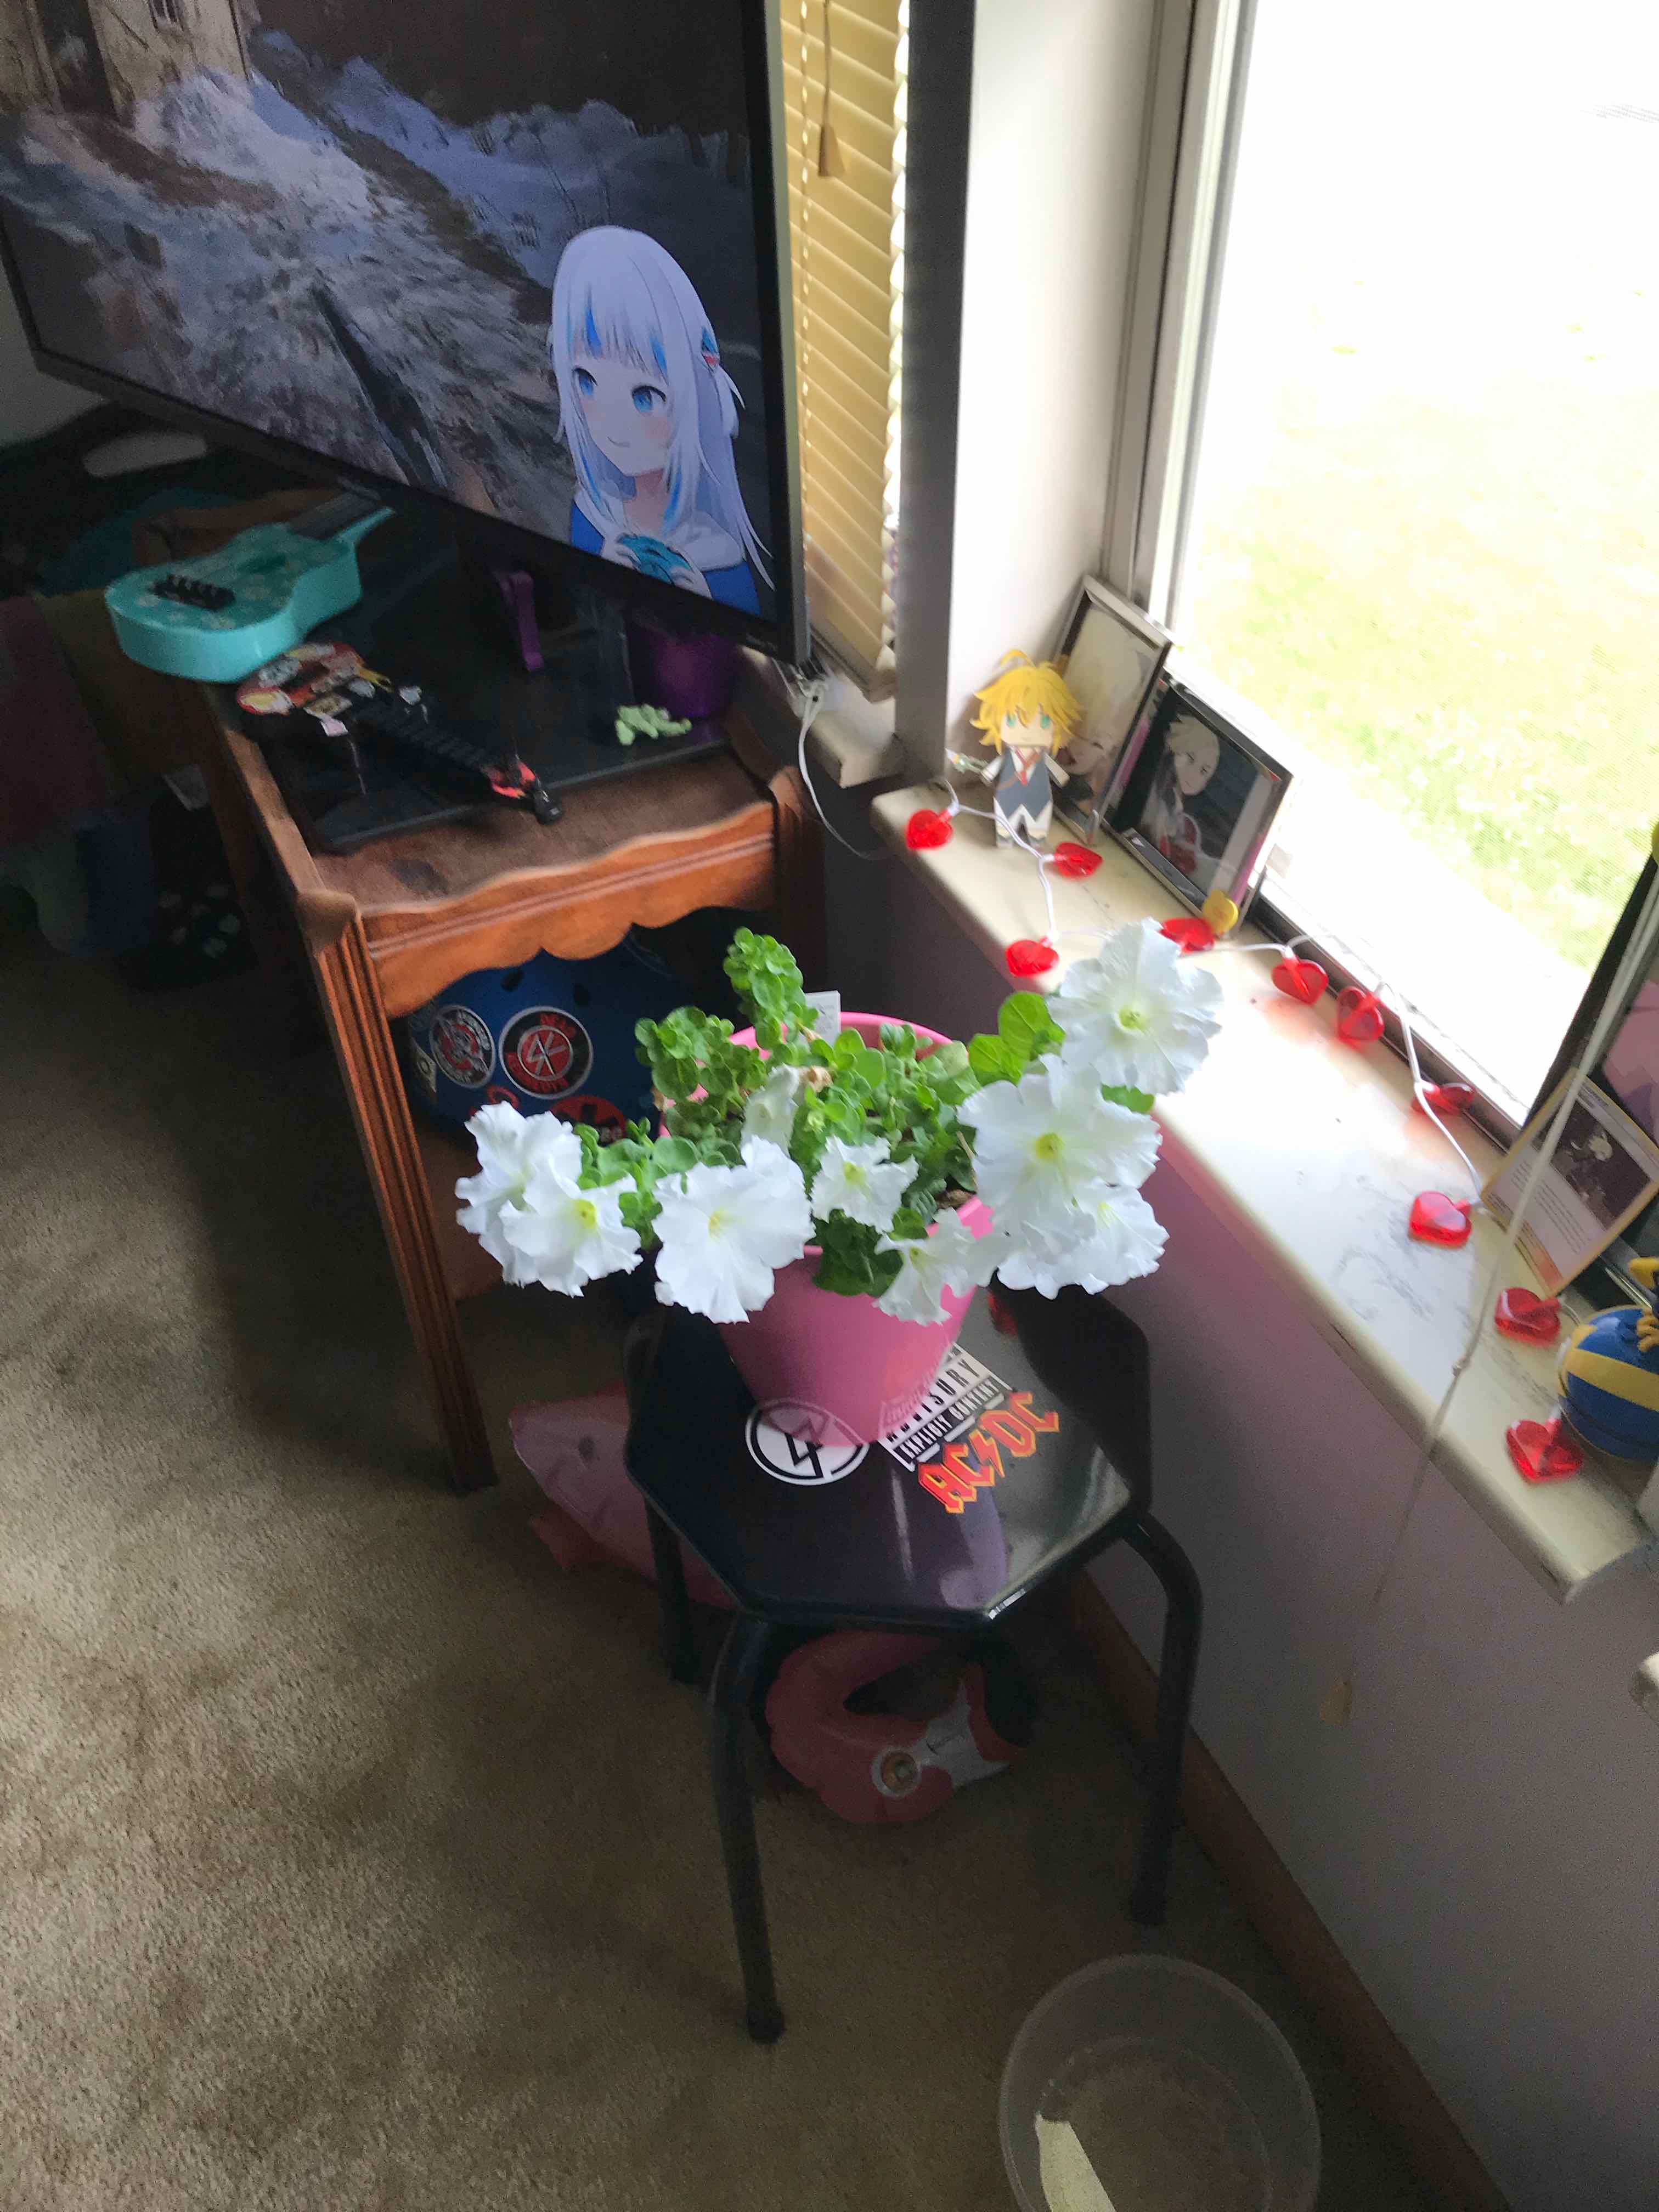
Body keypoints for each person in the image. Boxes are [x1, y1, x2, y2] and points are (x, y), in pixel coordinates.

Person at [548, 227, 768, 612]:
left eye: (645, 396)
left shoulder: (719, 555)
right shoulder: (592, 515)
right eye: (586, 381)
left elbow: (749, 641)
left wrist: (709, 609)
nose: (614, 423)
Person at [968, 650, 1082, 847]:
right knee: (1005, 826)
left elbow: (1058, 773)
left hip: (1038, 799)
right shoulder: (1009, 755)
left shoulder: (1042, 756)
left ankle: (1036, 837)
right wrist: (987, 773)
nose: (1028, 730)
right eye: (1013, 719)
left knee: (1037, 826)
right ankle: (1005, 836)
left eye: (1044, 721)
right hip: (1008, 799)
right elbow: (994, 768)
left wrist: (1063, 777)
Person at [1140, 714, 1220, 885]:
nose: (1194, 774)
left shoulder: (1182, 819)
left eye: (1204, 772)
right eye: (1190, 758)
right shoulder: (1154, 795)